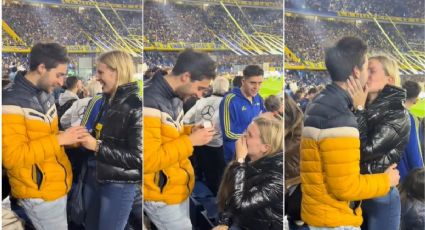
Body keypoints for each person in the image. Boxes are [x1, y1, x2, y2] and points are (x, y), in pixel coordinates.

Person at [300, 37, 400, 230]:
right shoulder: (340, 117)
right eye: (366, 68)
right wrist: (386, 180)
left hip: (319, 213)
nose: (367, 75)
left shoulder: (320, 101)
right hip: (335, 220)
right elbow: (346, 187)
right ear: (356, 72)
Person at [2, 43, 87, 230]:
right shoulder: (9, 102)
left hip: (56, 185)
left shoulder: (45, 92)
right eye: (59, 75)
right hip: (38, 193)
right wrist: (59, 140)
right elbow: (12, 157)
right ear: (41, 68)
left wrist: (70, 138)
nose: (62, 82)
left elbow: (46, 137)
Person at [143, 49, 216, 229]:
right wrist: (191, 141)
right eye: (199, 88)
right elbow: (148, 160)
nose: (200, 95)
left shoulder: (174, 94)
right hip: (160, 194)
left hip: (175, 186)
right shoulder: (149, 101)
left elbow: (168, 134)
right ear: (185, 76)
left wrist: (191, 131)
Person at [79, 50, 142, 230]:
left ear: (116, 72)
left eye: (100, 72)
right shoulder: (107, 101)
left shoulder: (135, 107)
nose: (96, 77)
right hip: (97, 177)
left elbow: (139, 158)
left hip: (118, 185)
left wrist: (97, 147)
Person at [350, 55, 410, 230]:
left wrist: (359, 109)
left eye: (372, 70)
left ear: (389, 79)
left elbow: (365, 149)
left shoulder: (398, 113)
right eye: (364, 69)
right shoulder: (364, 105)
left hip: (379, 196)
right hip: (358, 189)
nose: (365, 74)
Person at [214, 117, 283, 230]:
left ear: (265, 147)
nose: (242, 136)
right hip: (243, 221)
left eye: (249, 135)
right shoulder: (247, 158)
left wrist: (240, 162)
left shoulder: (277, 178)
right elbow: (230, 192)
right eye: (245, 131)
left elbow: (239, 206)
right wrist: (224, 222)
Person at [183, 76, 229, 195]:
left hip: (198, 143)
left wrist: (195, 127)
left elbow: (186, 118)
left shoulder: (201, 101)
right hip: (216, 145)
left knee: (204, 172)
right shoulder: (226, 104)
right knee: (217, 177)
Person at [220, 65, 266, 164]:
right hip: (235, 155)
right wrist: (251, 137)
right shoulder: (230, 100)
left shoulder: (258, 98)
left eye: (259, 83)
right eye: (252, 83)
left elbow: (264, 119)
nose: (256, 87)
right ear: (243, 81)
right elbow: (228, 133)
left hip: (254, 153)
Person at [284, 93, 304, 227]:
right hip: (285, 174)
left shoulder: (296, 117)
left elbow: (296, 143)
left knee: (297, 215)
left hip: (295, 175)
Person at [398, 80, 424, 182]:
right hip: (405, 180)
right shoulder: (409, 118)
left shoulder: (387, 112)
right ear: (415, 99)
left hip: (383, 178)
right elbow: (414, 152)